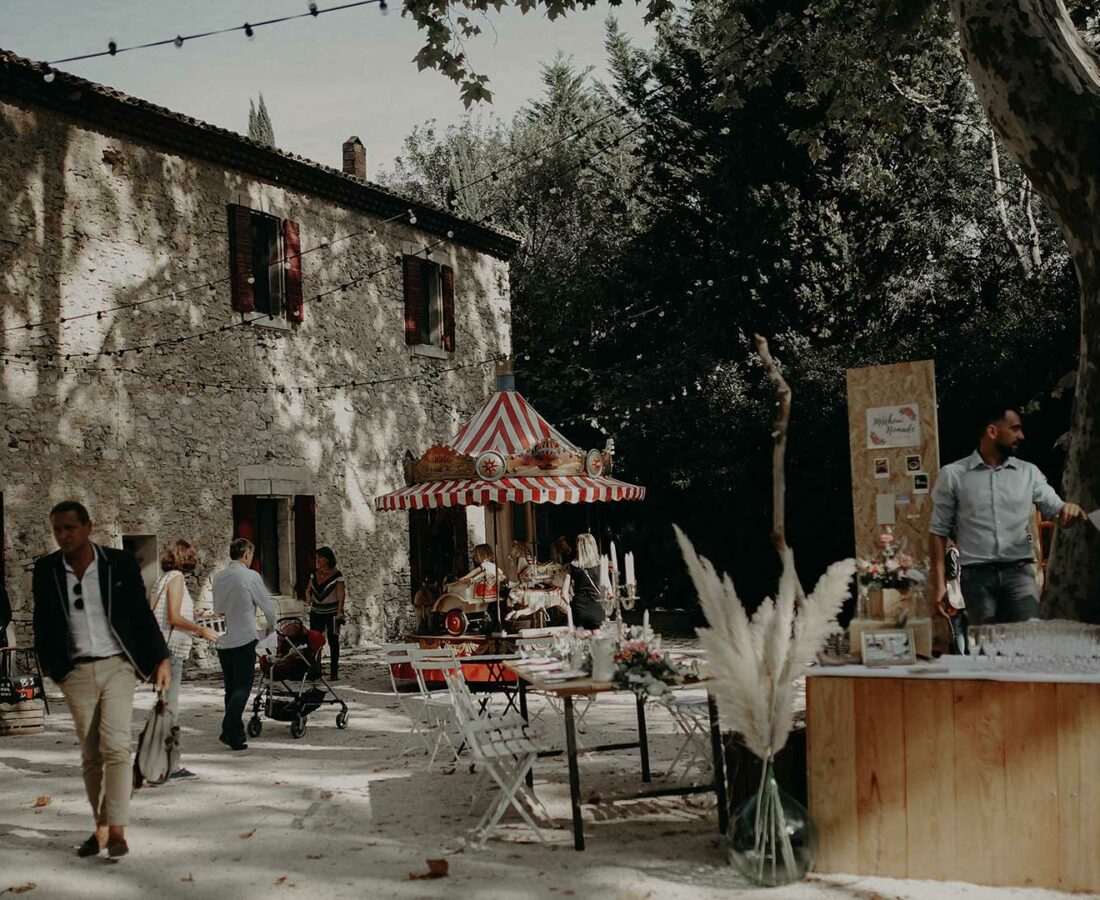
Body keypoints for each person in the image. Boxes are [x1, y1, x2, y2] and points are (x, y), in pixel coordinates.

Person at [31, 501, 171, 858]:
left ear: (88, 527)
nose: (63, 536)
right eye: (57, 529)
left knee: (116, 745)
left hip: (117, 666)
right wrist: (54, 670)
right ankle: (101, 827)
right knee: (91, 753)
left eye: (69, 528)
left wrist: (161, 658)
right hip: (75, 671)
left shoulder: (117, 563)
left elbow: (141, 614)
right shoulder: (46, 570)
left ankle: (118, 829)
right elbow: (42, 624)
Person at [928, 403, 1086, 624]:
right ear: (992, 431)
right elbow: (938, 531)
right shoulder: (953, 475)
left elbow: (1058, 512)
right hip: (976, 578)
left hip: (1019, 575)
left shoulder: (1028, 473)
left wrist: (1069, 510)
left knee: (1028, 642)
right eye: (1015, 428)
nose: (1021, 435)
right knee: (986, 648)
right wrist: (938, 585)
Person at [149, 539, 217, 777]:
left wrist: (195, 614)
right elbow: (175, 618)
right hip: (171, 653)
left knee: (164, 707)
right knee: (170, 709)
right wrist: (202, 630)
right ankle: (168, 766)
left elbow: (168, 614)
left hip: (160, 651)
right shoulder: (176, 579)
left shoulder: (162, 579)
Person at [212, 538, 277, 751]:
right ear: (246, 555)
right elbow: (267, 605)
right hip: (243, 636)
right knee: (243, 686)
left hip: (223, 637)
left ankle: (235, 734)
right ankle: (229, 726)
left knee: (231, 686)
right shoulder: (250, 576)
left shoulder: (219, 577)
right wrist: (271, 626)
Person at [305, 546, 345, 681]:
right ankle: (316, 669)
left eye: (320, 558)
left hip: (333, 612)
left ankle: (334, 671)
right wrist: (308, 596)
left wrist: (340, 611)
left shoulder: (337, 575)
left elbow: (341, 593)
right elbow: (308, 588)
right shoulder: (313, 573)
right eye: (316, 558)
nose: (318, 560)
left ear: (327, 559)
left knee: (334, 641)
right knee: (314, 640)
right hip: (316, 611)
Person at [569, 533, 608, 630]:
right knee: (599, 639)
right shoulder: (601, 565)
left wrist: (570, 604)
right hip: (598, 606)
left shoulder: (572, 566)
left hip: (579, 608)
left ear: (578, 548)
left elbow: (563, 593)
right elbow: (608, 590)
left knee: (581, 640)